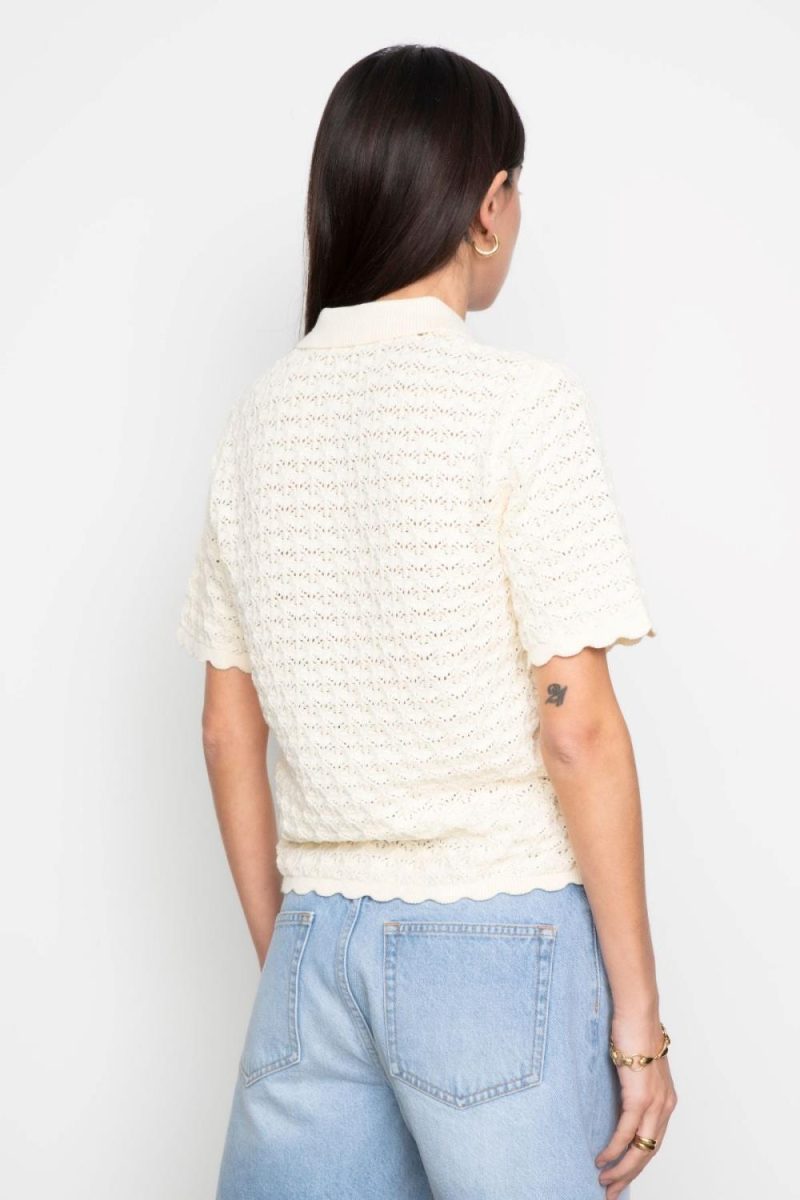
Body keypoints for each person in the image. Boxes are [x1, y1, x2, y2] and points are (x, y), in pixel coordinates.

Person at [176, 42, 677, 1200]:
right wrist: (637, 1025)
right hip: (496, 940)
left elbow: (223, 729)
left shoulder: (257, 421)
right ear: (486, 206)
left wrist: (289, 954)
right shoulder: (520, 405)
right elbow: (576, 728)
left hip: (315, 942)